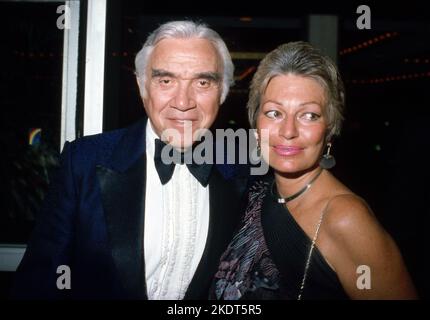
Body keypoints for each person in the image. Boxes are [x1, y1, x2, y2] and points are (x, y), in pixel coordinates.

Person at [12, 20, 249, 299]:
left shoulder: (241, 171)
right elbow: (39, 282)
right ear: (142, 85)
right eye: (165, 80)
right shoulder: (84, 161)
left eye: (202, 82)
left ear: (222, 92)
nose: (183, 101)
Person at [210, 41, 417, 300]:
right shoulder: (257, 193)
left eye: (309, 115)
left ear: (329, 129)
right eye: (274, 113)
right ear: (256, 122)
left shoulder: (347, 219)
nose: (288, 131)